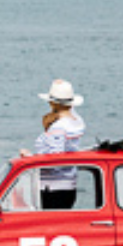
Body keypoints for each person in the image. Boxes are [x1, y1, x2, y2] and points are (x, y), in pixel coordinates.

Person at [23, 79, 86, 209]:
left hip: (52, 188)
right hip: (69, 185)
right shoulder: (76, 122)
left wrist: (30, 158)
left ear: (52, 103)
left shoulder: (58, 128)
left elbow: (55, 160)